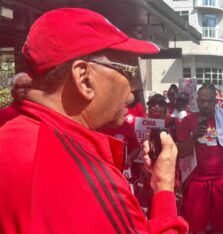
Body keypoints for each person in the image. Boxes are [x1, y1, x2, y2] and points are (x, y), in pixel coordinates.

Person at [0, 8, 187, 233]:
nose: (134, 87)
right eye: (130, 71)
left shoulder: (11, 134)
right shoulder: (85, 179)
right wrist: (164, 188)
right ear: (84, 79)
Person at [177, 83, 223, 234]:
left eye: (209, 101)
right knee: (197, 228)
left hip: (221, 182)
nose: (205, 105)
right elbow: (181, 153)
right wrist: (193, 138)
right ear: (197, 101)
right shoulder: (187, 121)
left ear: (215, 101)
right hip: (197, 183)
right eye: (202, 101)